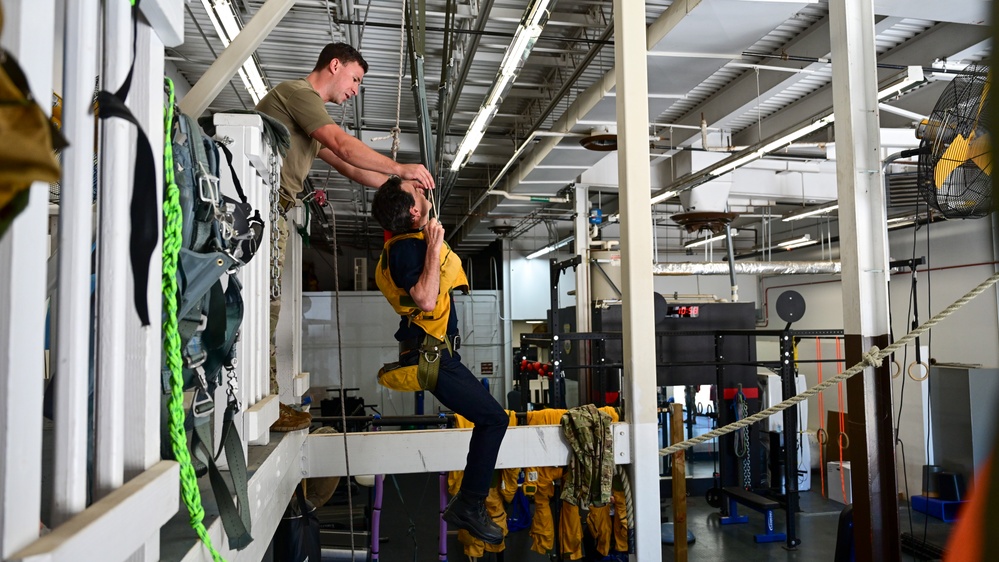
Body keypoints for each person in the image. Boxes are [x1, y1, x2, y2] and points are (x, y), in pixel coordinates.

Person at [255, 42, 434, 431]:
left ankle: (266, 401)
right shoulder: (298, 95)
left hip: (274, 210)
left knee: (267, 307)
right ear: (334, 65)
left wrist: (400, 181)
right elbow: (342, 144)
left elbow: (353, 169)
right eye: (354, 78)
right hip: (262, 209)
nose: (355, 90)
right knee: (263, 309)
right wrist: (401, 166)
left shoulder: (309, 119)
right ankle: (263, 404)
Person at [371, 177, 509, 544]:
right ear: (415, 211)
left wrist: (405, 173)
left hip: (435, 354)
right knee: (494, 419)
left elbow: (396, 199)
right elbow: (426, 299)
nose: (422, 190)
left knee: (491, 419)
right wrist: (433, 246)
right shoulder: (408, 249)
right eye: (417, 191)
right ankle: (470, 504)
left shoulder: (403, 243)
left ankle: (467, 503)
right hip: (434, 358)